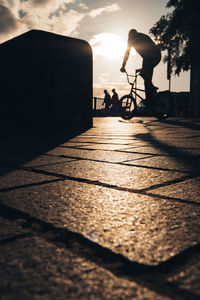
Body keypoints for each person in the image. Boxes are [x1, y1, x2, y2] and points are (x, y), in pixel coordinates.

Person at [120, 29, 161, 108]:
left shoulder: (133, 39)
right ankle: (152, 93)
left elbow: (127, 53)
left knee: (146, 78)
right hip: (154, 56)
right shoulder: (141, 36)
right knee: (145, 77)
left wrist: (123, 66)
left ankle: (149, 101)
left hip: (150, 57)